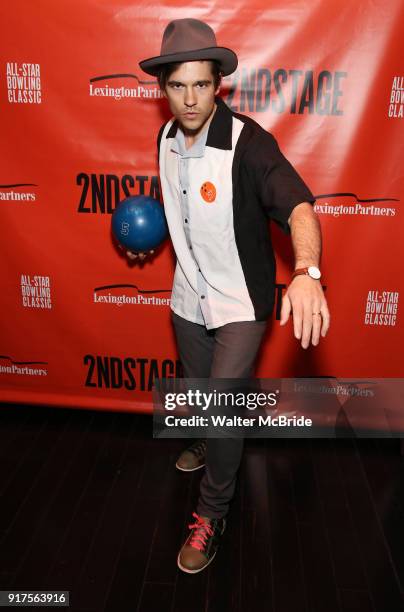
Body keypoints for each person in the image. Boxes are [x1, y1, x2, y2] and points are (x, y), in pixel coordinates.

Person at [127, 18, 330, 574]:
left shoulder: (249, 144)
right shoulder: (165, 138)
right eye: (176, 86)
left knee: (222, 407)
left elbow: (299, 207)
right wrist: (156, 240)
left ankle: (212, 512)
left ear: (218, 83)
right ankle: (204, 443)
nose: (189, 100)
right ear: (163, 87)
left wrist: (308, 271)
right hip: (188, 294)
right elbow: (188, 210)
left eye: (200, 84)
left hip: (240, 301)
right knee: (199, 395)